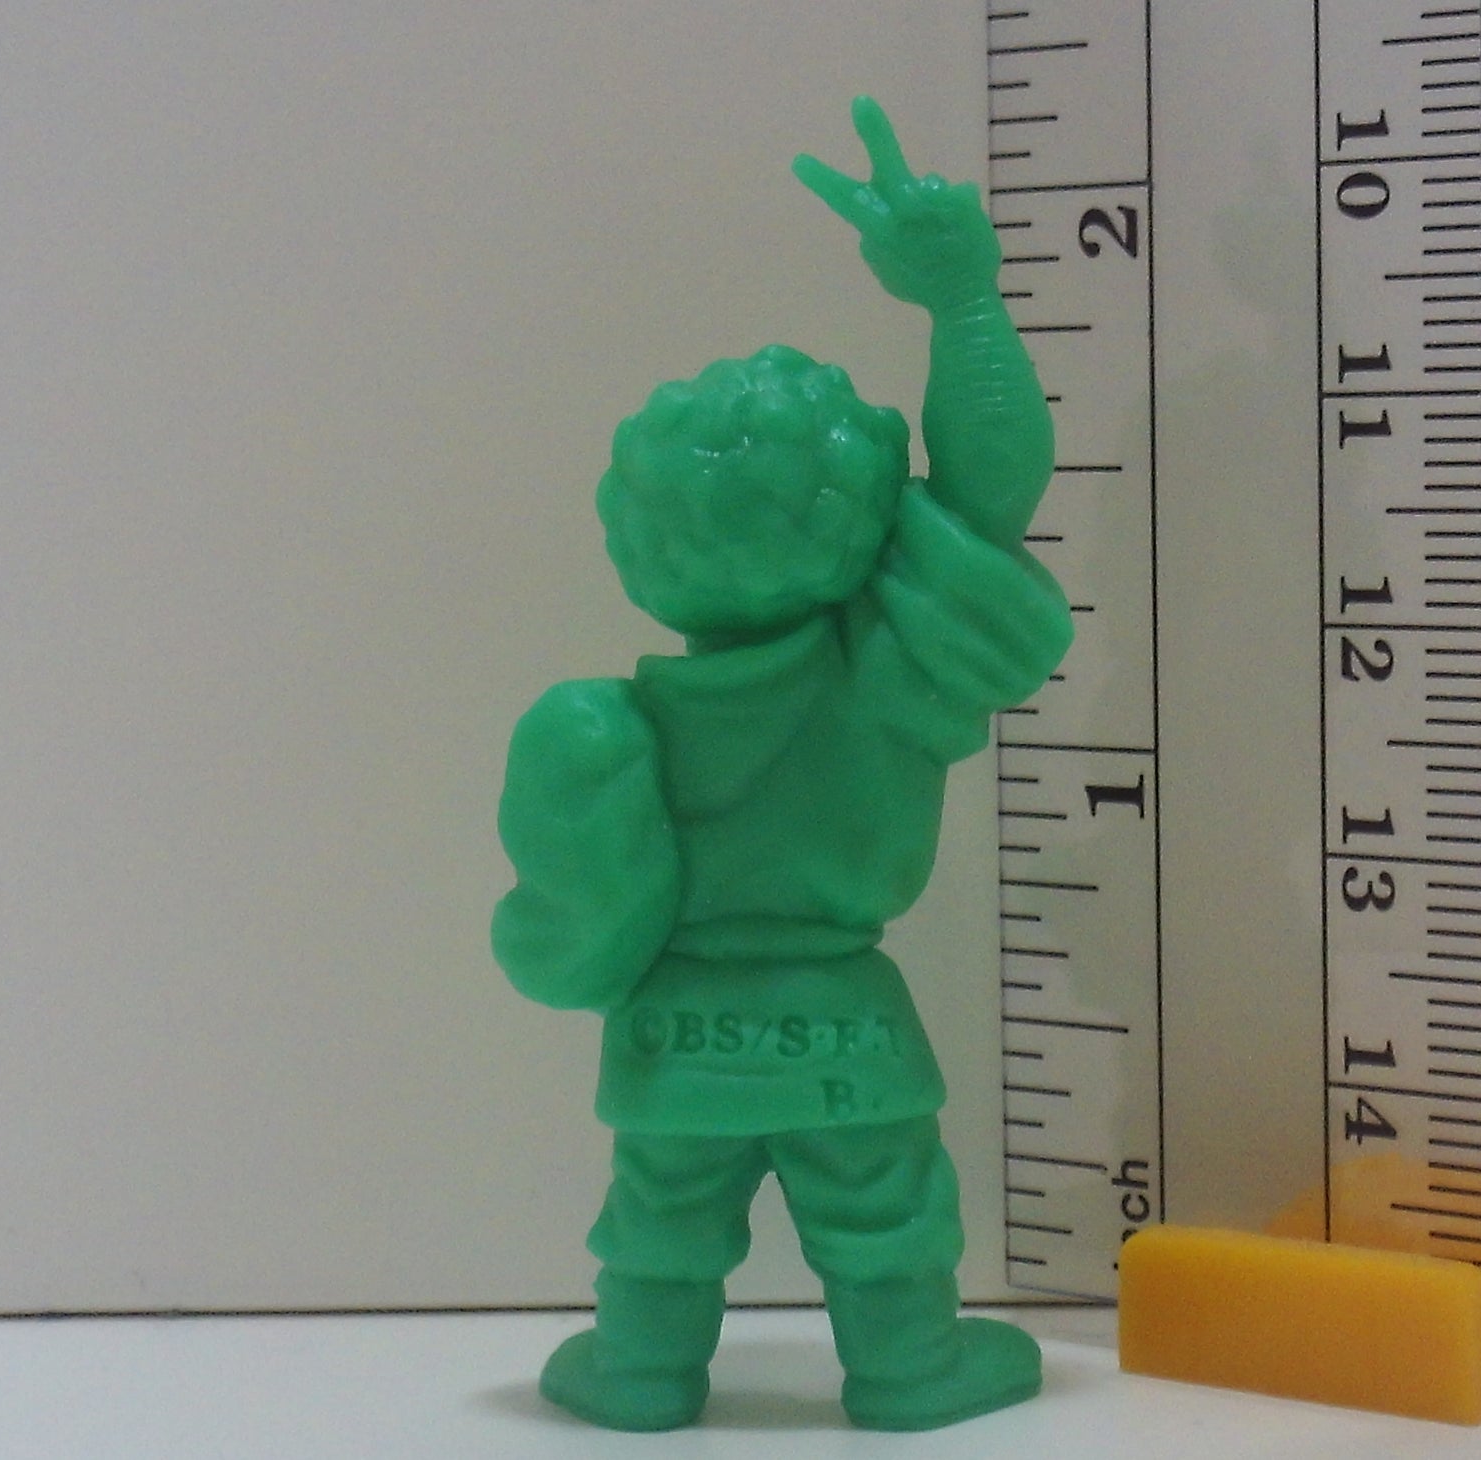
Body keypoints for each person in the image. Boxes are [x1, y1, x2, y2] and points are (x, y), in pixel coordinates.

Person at [492, 96, 1072, 1432]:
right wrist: (961, 302)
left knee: (661, 1210)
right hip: (846, 1020)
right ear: (863, 528)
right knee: (884, 1207)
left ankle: (641, 1371)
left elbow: (564, 930)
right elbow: (993, 494)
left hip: (675, 1027)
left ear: (639, 543)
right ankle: (909, 1368)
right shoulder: (891, 664)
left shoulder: (611, 731)